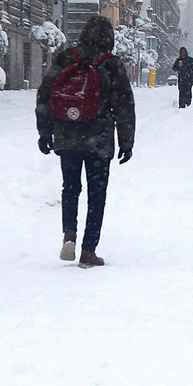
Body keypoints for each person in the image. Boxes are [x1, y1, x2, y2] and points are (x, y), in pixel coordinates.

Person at [36, 15, 136, 268]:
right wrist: (126, 142)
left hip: (67, 135)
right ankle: (88, 250)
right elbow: (123, 105)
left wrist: (45, 131)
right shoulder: (111, 64)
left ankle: (69, 235)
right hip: (99, 140)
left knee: (70, 188)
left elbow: (45, 93)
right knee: (96, 194)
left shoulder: (67, 57)